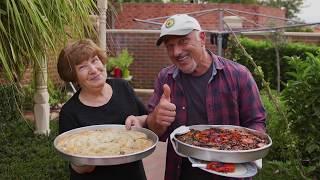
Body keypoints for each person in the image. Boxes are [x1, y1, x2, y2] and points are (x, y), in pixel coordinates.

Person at [127, 14, 266, 180]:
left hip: (230, 173)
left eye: (183, 41)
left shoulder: (238, 75)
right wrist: (156, 118)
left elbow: (256, 121)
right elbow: (156, 131)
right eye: (170, 46)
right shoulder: (165, 78)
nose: (176, 52)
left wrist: (245, 150)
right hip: (181, 173)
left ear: (202, 38)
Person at [57, 39, 148, 180]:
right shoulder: (70, 112)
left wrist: (140, 121)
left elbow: (146, 123)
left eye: (94, 60)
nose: (93, 70)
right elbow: (77, 164)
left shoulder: (123, 87)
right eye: (82, 67)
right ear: (74, 77)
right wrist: (80, 163)